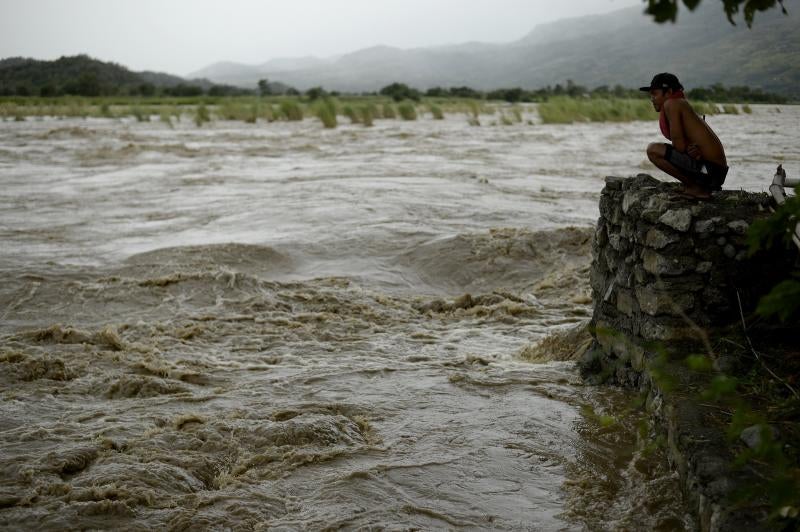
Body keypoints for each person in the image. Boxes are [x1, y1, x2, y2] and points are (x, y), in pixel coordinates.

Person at [641, 73, 728, 199]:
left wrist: (687, 150)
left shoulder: (672, 104)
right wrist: (690, 150)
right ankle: (695, 186)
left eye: (655, 94)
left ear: (669, 92)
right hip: (714, 172)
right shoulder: (680, 103)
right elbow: (684, 147)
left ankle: (695, 188)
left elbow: (679, 147)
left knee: (653, 150)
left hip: (710, 171)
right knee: (658, 149)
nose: (652, 98)